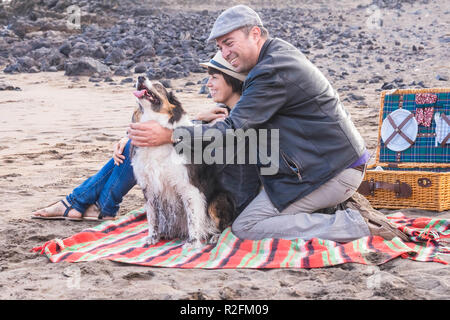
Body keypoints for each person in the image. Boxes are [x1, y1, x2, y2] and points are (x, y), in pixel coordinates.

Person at [128, 5, 409, 242]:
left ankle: (354, 226)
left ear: (255, 33)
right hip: (316, 166)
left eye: (229, 43)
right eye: (219, 47)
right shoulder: (273, 59)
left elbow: (233, 131)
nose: (224, 53)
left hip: (330, 171)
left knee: (247, 226)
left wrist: (170, 136)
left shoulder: (271, 70)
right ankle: (328, 208)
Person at [31, 51, 256, 220]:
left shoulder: (236, 121)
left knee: (141, 145)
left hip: (214, 199)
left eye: (214, 77)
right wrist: (198, 118)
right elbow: (194, 135)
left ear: (233, 80)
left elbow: (204, 144)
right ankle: (91, 205)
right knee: (138, 144)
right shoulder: (225, 114)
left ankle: (87, 204)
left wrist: (136, 140)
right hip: (200, 183)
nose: (208, 83)